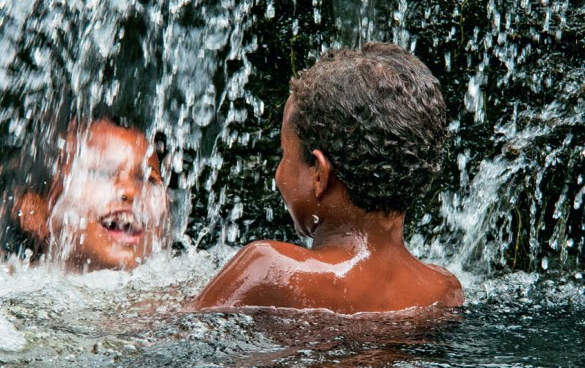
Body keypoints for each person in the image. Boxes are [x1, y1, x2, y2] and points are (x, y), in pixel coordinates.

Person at [191, 42, 464, 314]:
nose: (279, 172)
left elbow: (180, 336)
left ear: (319, 175)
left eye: (285, 154)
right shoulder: (444, 290)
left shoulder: (268, 269)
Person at [0, 118, 169, 274]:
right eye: (102, 172)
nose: (131, 192)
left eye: (147, 179)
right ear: (35, 211)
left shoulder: (168, 299)